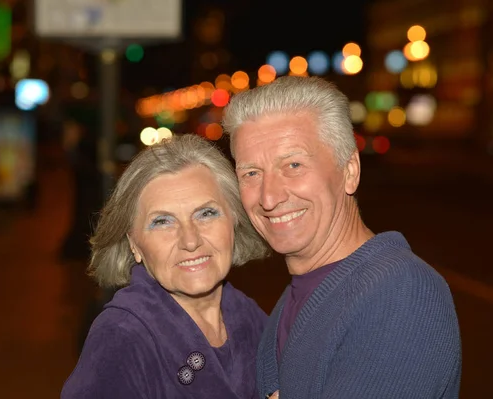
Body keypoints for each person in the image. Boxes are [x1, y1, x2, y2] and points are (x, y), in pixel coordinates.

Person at [221, 76, 462, 399]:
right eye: (251, 173)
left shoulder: (400, 292)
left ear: (349, 171)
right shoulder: (298, 296)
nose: (268, 197)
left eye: (293, 164)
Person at [61, 134, 270, 398]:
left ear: (234, 220)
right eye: (162, 221)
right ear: (134, 244)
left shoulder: (247, 315)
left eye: (206, 213)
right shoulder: (122, 338)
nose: (190, 240)